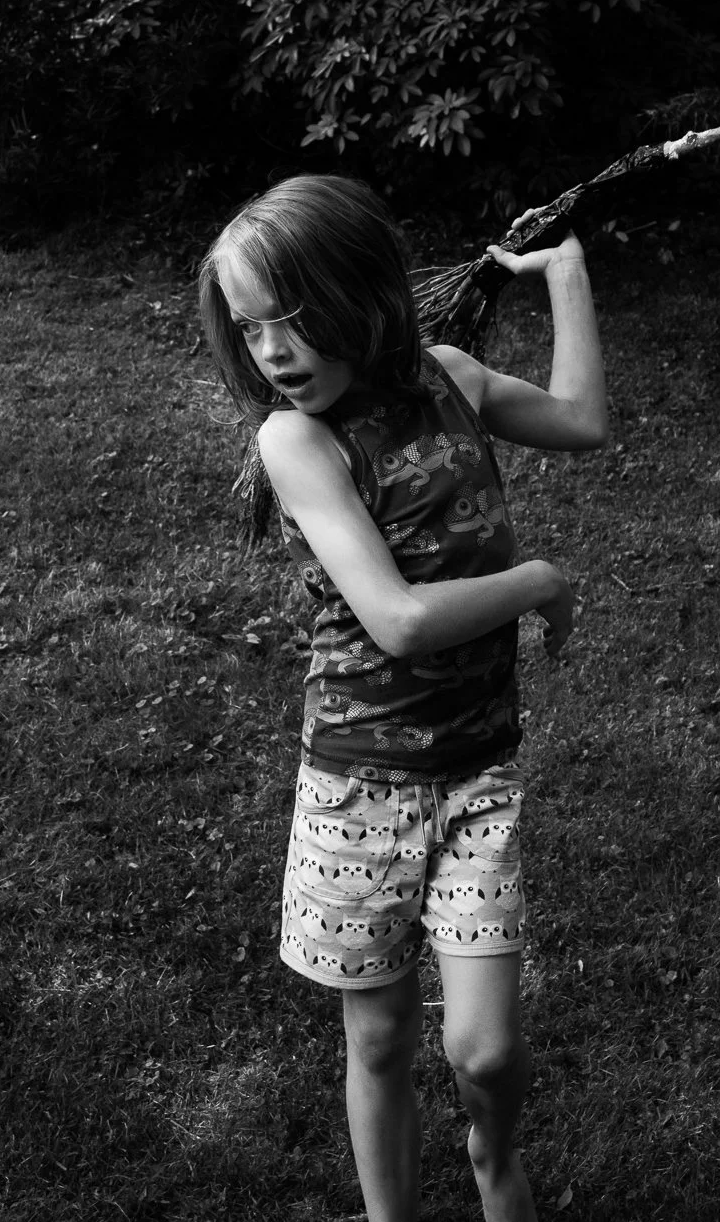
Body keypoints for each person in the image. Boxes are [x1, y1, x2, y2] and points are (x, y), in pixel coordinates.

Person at [196, 174, 607, 1222]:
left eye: (292, 319)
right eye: (249, 328)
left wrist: (565, 275)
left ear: (360, 294)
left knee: (486, 1050)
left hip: (476, 774)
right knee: (378, 1035)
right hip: (357, 785)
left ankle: (493, 1157)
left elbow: (581, 420)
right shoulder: (296, 442)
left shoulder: (451, 378)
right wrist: (537, 581)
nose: (272, 351)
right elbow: (401, 620)